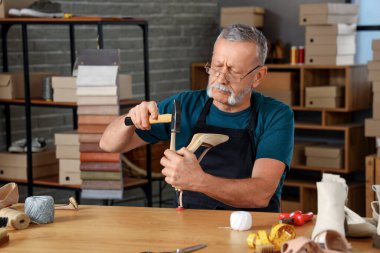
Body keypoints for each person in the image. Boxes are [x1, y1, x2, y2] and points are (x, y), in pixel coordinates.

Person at [100, 24, 294, 212]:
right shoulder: (185, 105)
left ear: (258, 76)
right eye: (217, 67)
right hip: (190, 226)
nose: (221, 78)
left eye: (234, 71)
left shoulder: (275, 115)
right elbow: (108, 145)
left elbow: (260, 194)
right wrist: (130, 119)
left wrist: (198, 181)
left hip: (253, 230)